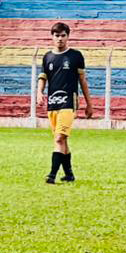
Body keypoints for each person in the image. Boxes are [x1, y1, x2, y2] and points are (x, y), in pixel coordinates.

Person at [37, 21, 93, 183]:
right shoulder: (47, 57)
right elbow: (43, 77)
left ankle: (52, 175)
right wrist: (39, 92)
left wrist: (89, 103)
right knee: (63, 140)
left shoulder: (75, 56)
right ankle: (69, 174)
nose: (60, 39)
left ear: (68, 37)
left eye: (63, 35)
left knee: (59, 139)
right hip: (53, 103)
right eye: (57, 35)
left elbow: (82, 80)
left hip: (69, 103)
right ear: (52, 37)